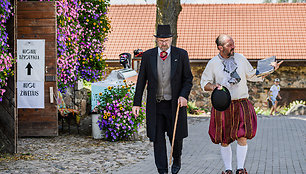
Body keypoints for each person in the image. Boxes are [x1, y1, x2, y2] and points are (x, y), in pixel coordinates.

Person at [200, 34, 283, 174]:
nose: (233, 47)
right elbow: (204, 83)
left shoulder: (241, 58)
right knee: (224, 139)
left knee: (242, 136)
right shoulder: (213, 63)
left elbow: (252, 75)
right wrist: (213, 86)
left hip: (241, 103)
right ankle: (228, 170)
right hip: (223, 106)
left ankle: (240, 169)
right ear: (220, 48)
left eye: (233, 44)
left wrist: (270, 69)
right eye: (229, 45)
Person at [132, 24, 193, 174]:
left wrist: (183, 95)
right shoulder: (148, 56)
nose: (163, 43)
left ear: (171, 39)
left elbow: (188, 79)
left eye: (166, 40)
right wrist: (136, 103)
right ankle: (162, 170)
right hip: (156, 106)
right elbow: (141, 81)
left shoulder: (181, 55)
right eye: (160, 40)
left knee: (176, 138)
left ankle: (176, 159)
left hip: (175, 105)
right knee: (157, 139)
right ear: (156, 40)